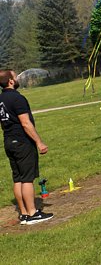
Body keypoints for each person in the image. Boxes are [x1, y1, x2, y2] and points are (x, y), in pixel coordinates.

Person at [0, 70, 53, 225]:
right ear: (10, 81)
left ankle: (23, 213)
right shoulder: (17, 98)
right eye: (15, 77)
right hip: (22, 142)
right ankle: (32, 213)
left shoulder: (1, 99)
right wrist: (39, 142)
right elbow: (25, 123)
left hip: (9, 141)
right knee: (27, 179)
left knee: (18, 179)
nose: (17, 79)